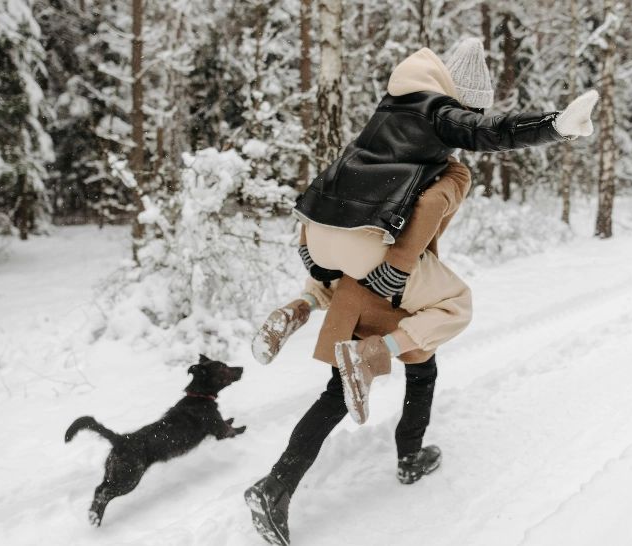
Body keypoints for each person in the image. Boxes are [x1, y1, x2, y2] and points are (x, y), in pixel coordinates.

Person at [245, 38, 598, 546]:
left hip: (323, 232)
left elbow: (337, 172)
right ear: (457, 98)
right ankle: (394, 415)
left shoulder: (388, 112)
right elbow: (480, 139)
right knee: (453, 308)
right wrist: (554, 125)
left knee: (361, 376)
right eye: (465, 108)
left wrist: (309, 245)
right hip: (385, 257)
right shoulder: (443, 133)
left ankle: (279, 478)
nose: (462, 122)